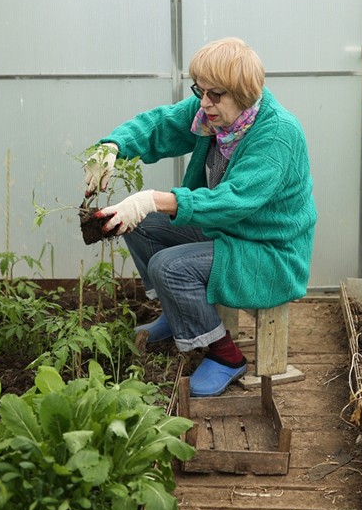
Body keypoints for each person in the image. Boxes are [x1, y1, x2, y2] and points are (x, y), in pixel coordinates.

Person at [83, 37, 317, 397]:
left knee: (169, 266)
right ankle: (175, 314)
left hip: (268, 251)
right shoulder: (214, 117)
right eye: (200, 91)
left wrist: (154, 199)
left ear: (243, 93)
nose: (203, 102)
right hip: (227, 230)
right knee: (138, 224)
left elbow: (233, 200)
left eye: (215, 94)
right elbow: (160, 125)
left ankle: (226, 357)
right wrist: (112, 147)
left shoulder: (276, 134)